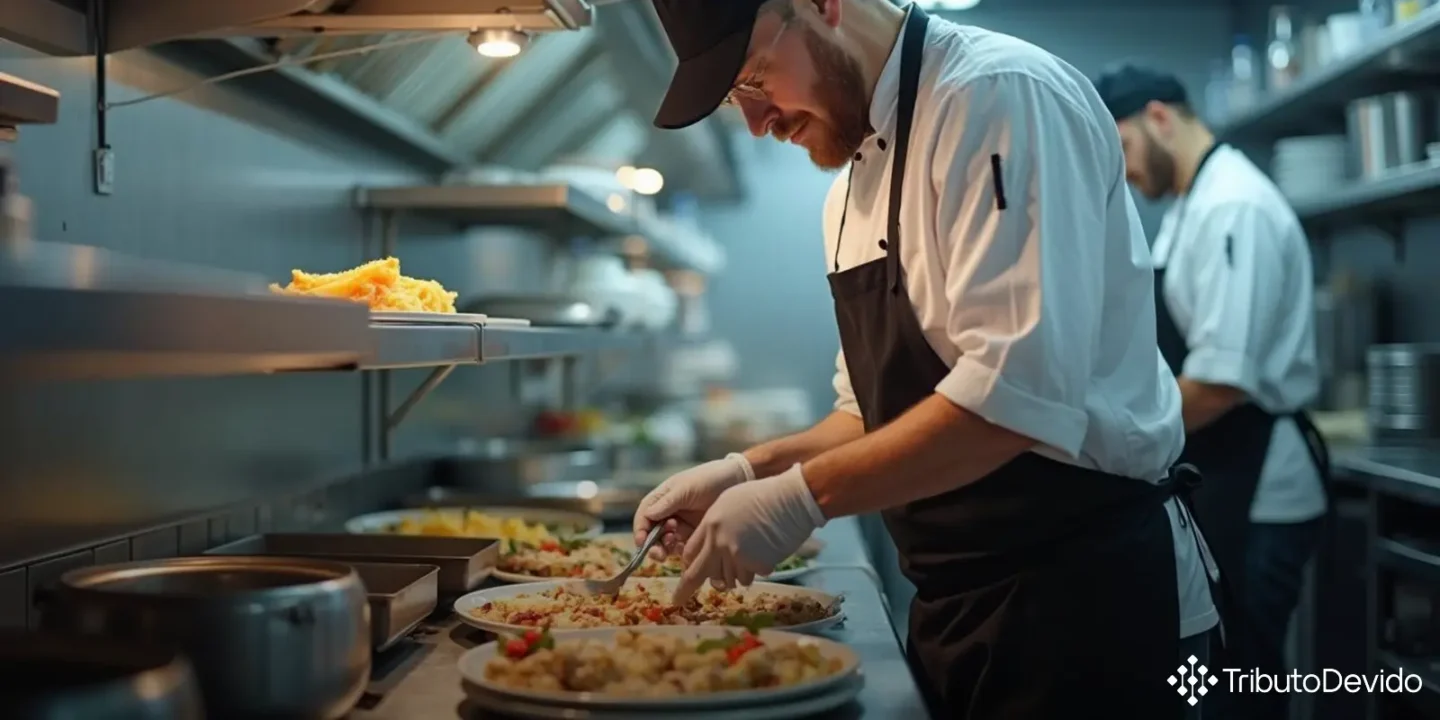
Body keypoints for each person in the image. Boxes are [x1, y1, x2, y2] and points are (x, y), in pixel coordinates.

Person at [633, 2, 1222, 718]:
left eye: (754, 78)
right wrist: (746, 471)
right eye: (736, 100)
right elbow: (869, 417)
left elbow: (1013, 400)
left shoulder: (998, 96)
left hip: (1094, 610)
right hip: (956, 611)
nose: (758, 122)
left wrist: (797, 499)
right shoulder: (848, 189)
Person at [1092, 63, 1332, 720]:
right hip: (1219, 474)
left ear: (1161, 117)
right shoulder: (1189, 205)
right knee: (1208, 674)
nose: (1129, 175)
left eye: (1127, 151)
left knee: (1245, 675)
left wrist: (1119, 439)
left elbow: (1221, 382)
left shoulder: (1235, 206)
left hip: (1260, 490)